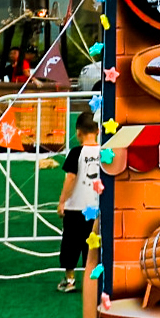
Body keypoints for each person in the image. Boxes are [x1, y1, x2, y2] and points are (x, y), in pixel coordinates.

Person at [56, 107, 103, 294]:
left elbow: (71, 178)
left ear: (78, 132)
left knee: (70, 245)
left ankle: (70, 280)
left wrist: (61, 201)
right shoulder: (105, 152)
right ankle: (95, 281)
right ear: (98, 131)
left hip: (76, 209)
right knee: (93, 246)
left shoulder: (76, 153)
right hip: (97, 209)